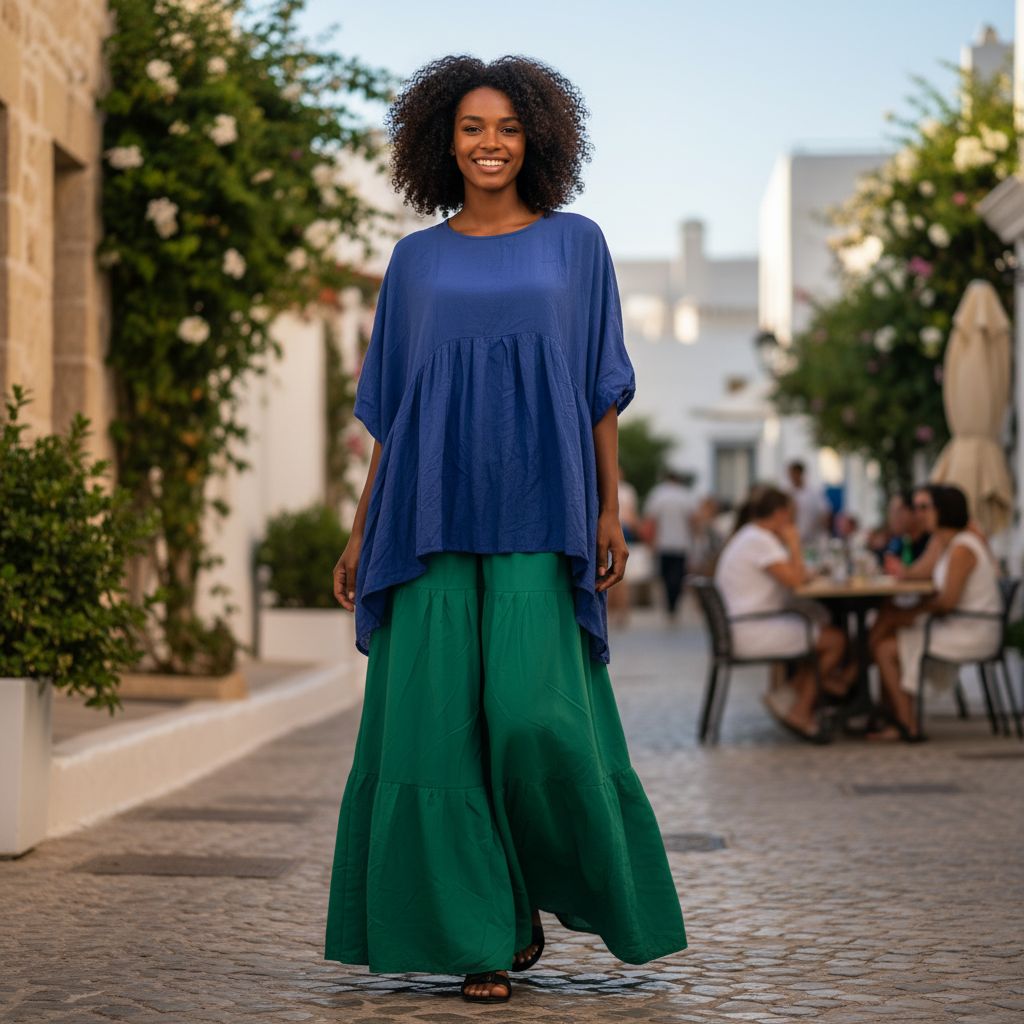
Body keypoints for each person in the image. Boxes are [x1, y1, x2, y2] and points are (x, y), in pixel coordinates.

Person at [324, 56, 687, 1004]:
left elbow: (600, 386)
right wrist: (363, 531)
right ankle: (484, 937)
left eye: (507, 129)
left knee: (534, 720)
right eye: (472, 129)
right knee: (437, 735)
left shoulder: (577, 246)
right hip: (426, 515)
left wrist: (608, 505)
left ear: (537, 138)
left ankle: (536, 886)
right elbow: (392, 411)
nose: (490, 144)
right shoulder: (415, 261)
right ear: (443, 142)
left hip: (540, 510)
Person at [714, 486, 849, 743]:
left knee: (820, 626)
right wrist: (794, 543)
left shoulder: (749, 536)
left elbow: (790, 575)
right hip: (752, 630)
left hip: (745, 626)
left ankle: (789, 695)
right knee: (834, 641)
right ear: (781, 514)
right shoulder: (760, 541)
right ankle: (800, 710)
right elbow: (795, 581)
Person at [869, 484, 1002, 741]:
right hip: (958, 625)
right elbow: (921, 574)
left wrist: (914, 612)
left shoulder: (963, 548)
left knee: (885, 645)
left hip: (971, 631)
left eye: (924, 508)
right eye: (916, 508)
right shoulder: (948, 543)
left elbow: (947, 602)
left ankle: (905, 721)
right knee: (889, 621)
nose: (918, 514)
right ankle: (888, 710)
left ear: (943, 510)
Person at [642, 469, 694, 620]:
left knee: (665, 576)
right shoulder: (685, 495)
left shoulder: (658, 494)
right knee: (678, 576)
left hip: (663, 543)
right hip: (681, 543)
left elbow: (651, 520)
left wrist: (650, 542)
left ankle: (669, 603)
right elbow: (692, 520)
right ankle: (674, 604)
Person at [608, 465, 640, 628]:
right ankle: (617, 613)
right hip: (622, 530)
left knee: (616, 574)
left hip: (621, 530)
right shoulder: (627, 490)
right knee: (618, 576)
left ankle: (619, 612)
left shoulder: (625, 490)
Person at [784, 460, 829, 547]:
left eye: (794, 474)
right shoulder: (787, 493)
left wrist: (822, 531)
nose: (792, 477)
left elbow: (824, 512)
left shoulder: (814, 492)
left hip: (813, 537)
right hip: (794, 538)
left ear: (800, 474)